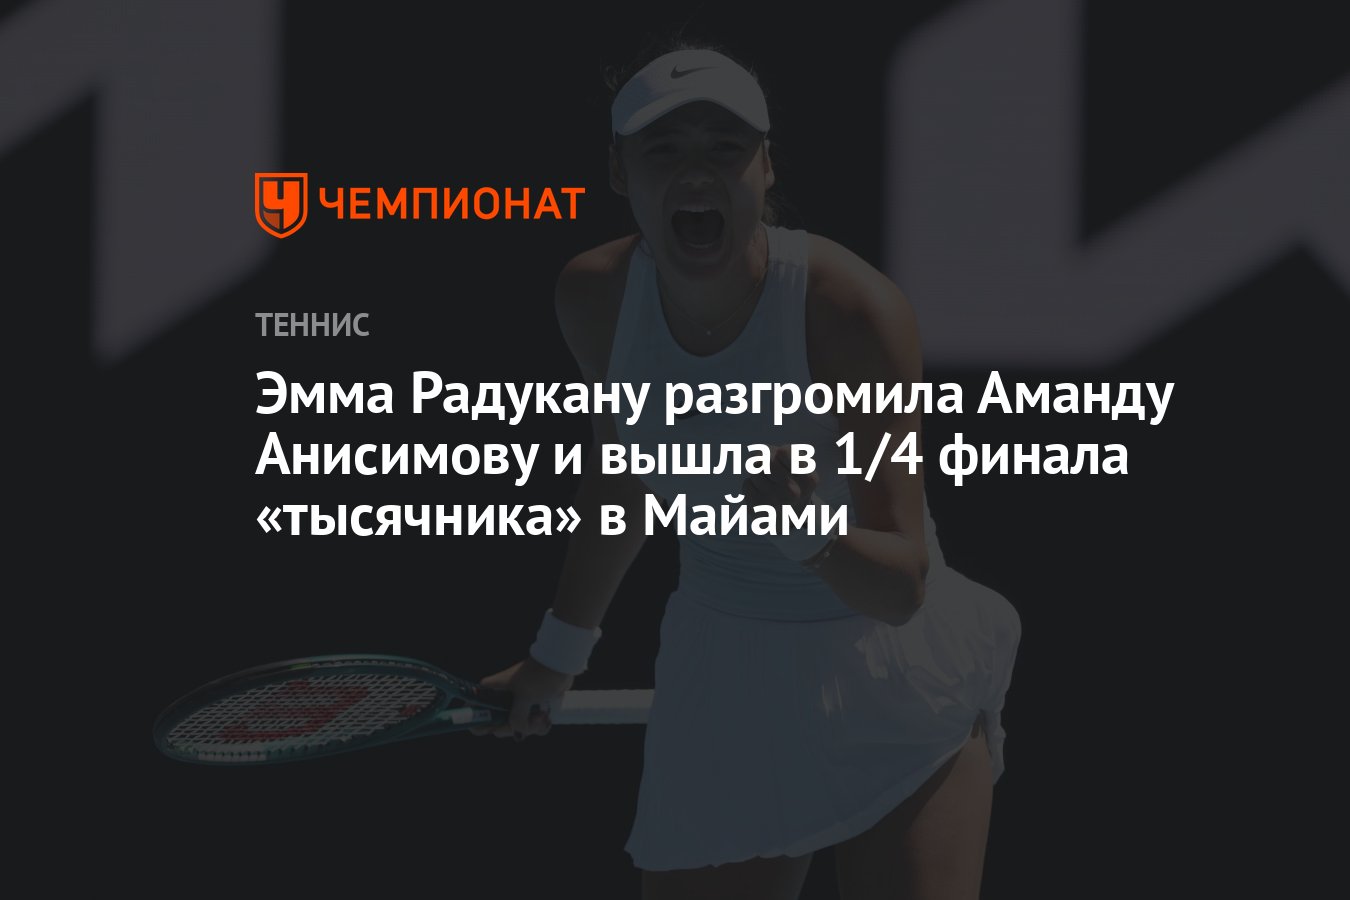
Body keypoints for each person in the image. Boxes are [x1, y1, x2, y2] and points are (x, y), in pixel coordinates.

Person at [472, 44, 1022, 900]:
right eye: (664, 149)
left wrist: (807, 535)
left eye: (725, 147)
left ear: (766, 168)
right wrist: (557, 655)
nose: (696, 171)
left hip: (896, 676)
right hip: (723, 674)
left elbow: (902, 586)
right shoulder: (593, 297)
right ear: (619, 171)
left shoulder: (851, 310)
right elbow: (625, 480)